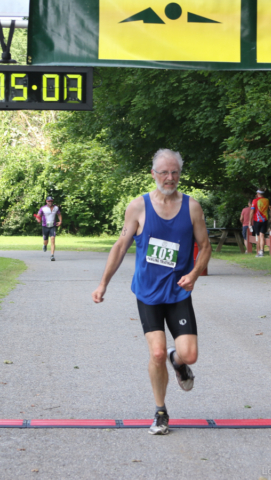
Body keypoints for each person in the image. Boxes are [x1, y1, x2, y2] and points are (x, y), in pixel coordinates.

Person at [92, 148, 211, 435]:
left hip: (178, 292)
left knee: (190, 355)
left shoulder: (192, 207)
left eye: (174, 173)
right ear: (153, 174)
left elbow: (205, 246)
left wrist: (194, 274)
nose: (169, 178)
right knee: (156, 352)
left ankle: (179, 362)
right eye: (164, 173)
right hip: (147, 291)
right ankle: (160, 411)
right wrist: (103, 283)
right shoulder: (138, 207)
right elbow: (121, 245)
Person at [35, 196, 62, 261]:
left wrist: (60, 221)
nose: (50, 202)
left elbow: (59, 215)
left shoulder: (56, 208)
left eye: (51, 201)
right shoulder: (43, 208)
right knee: (45, 241)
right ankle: (45, 245)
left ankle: (52, 255)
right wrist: (38, 220)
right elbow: (38, 216)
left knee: (53, 239)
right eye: (49, 201)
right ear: (46, 201)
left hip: (52, 226)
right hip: (45, 226)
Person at [249, 189, 269, 257]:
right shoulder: (267, 200)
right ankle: (262, 251)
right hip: (265, 220)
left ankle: (259, 252)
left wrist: (250, 221)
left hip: (257, 220)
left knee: (258, 236)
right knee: (262, 235)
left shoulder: (255, 200)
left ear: (258, 193)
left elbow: (252, 211)